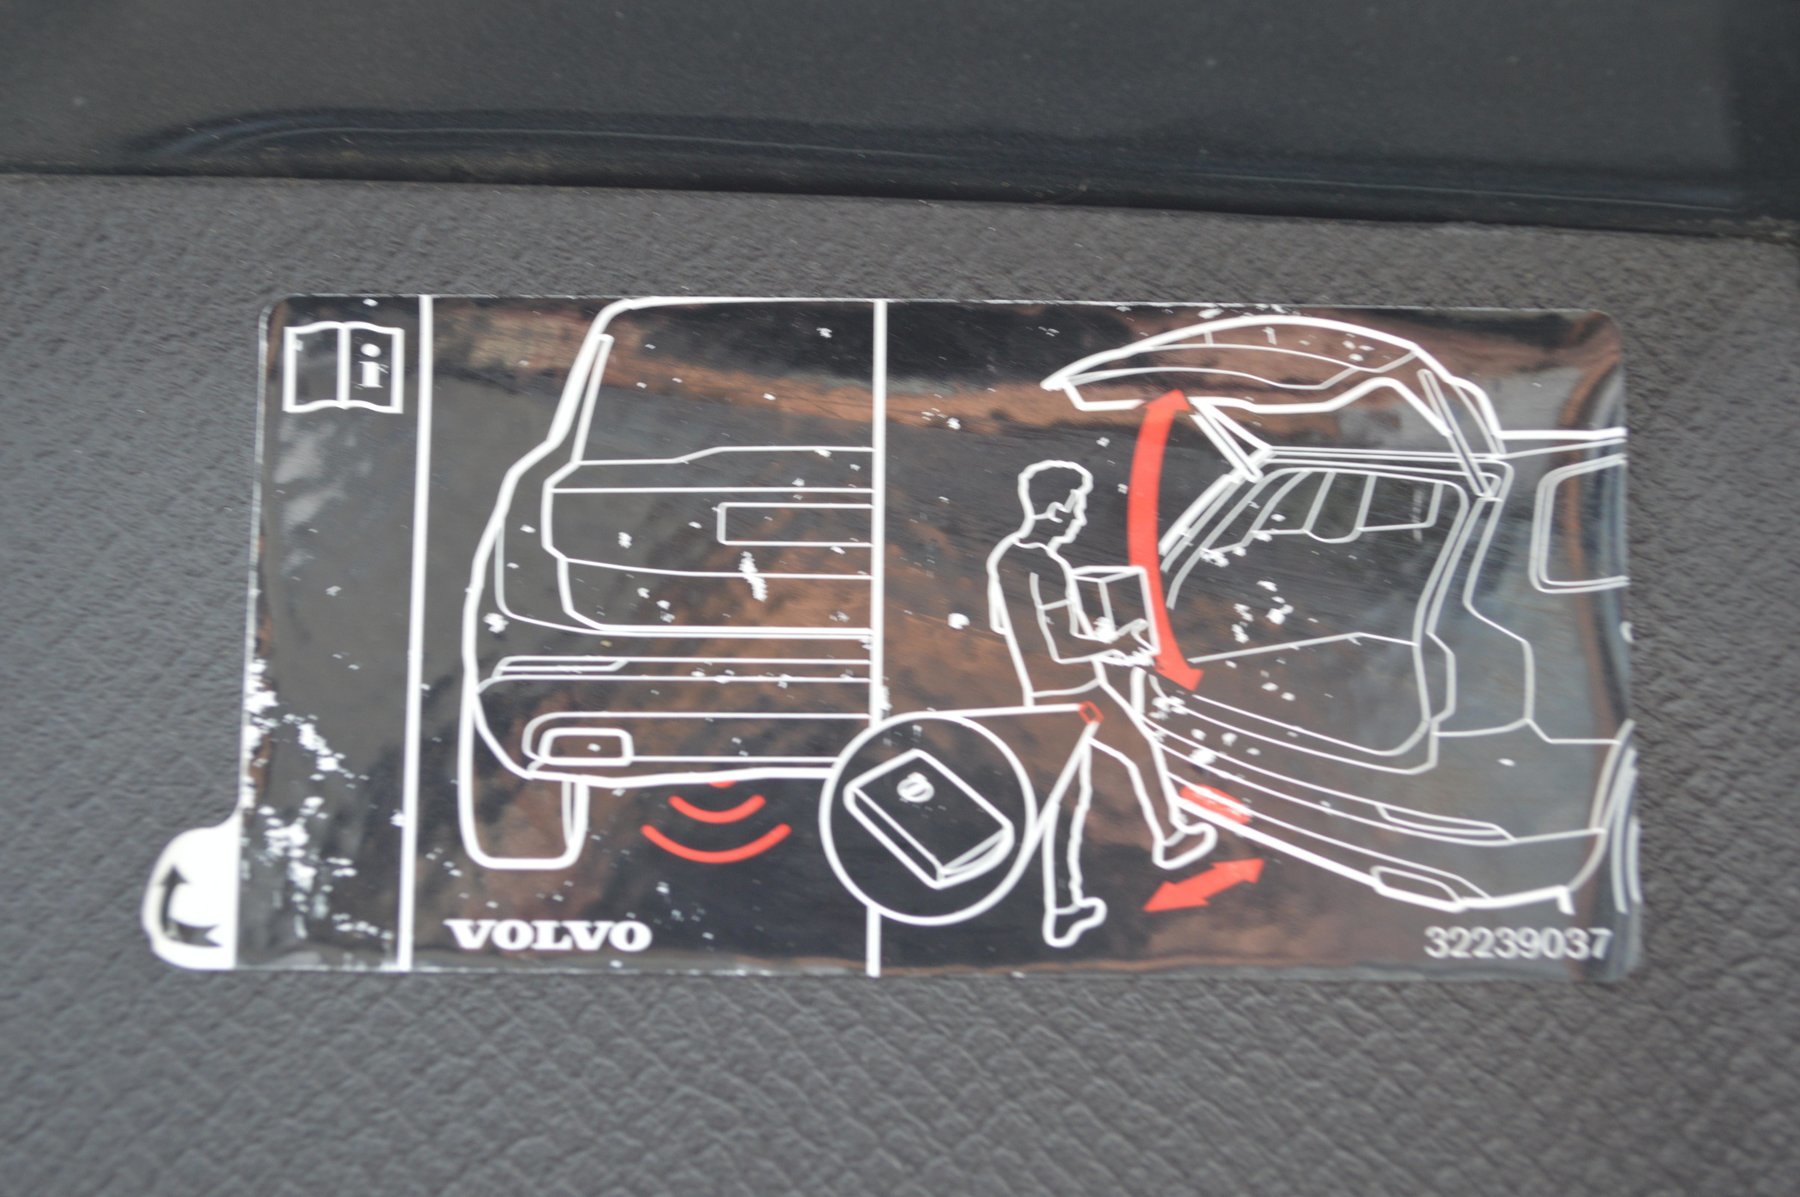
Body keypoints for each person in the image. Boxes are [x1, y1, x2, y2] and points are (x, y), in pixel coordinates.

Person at [986, 461, 1215, 948]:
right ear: (1055, 508)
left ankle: (1069, 902)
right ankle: (1167, 839)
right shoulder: (1040, 565)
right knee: (1107, 774)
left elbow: (1015, 630)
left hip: (1055, 692)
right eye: (1077, 507)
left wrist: (1102, 637)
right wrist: (1119, 646)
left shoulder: (1009, 558)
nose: (1080, 517)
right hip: (1071, 694)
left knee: (1079, 794)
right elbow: (1057, 648)